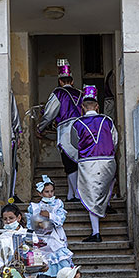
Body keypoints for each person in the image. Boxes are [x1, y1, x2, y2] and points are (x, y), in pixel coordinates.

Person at [66, 85, 118, 242]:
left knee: (91, 196)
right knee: (109, 183)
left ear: (82, 107)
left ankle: (96, 232)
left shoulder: (77, 123)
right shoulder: (107, 120)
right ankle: (106, 204)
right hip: (108, 160)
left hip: (88, 162)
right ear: (97, 106)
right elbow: (114, 140)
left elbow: (74, 143)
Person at [37, 59, 83, 202]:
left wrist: (40, 127)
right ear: (72, 81)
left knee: (68, 162)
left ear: (61, 81)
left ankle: (74, 194)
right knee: (77, 162)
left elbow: (49, 113)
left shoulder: (59, 93)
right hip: (81, 129)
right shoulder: (81, 93)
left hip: (66, 131)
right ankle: (72, 193)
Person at [27, 175, 74, 278]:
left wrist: (50, 215)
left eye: (51, 191)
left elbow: (60, 220)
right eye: (47, 192)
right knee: (42, 270)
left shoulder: (58, 204)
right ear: (40, 193)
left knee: (55, 269)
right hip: (40, 240)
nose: (50, 194)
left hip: (54, 239)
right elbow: (31, 223)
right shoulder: (35, 206)